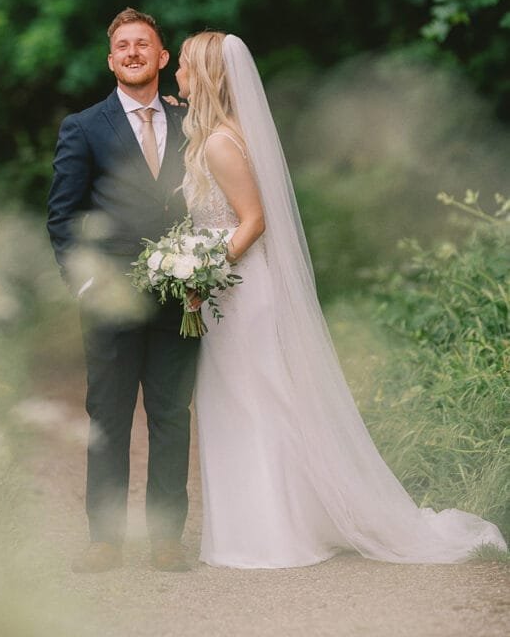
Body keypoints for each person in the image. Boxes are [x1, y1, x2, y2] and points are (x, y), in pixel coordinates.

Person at [175, 30, 507, 568]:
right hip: (235, 291)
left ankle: (268, 537)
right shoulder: (229, 133)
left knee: (254, 405)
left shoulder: (218, 142)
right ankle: (279, 524)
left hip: (237, 293)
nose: (178, 76)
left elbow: (254, 221)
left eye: (185, 66)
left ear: (207, 75)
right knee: (254, 402)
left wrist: (203, 270)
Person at [47, 8, 198, 573]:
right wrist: (85, 282)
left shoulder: (193, 124)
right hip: (108, 296)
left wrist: (201, 273)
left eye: (144, 44)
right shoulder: (83, 127)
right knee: (107, 415)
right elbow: (63, 217)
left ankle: (166, 537)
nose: (133, 52)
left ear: (162, 57)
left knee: (171, 413)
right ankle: (104, 537)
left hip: (183, 296)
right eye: (123, 46)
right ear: (111, 61)